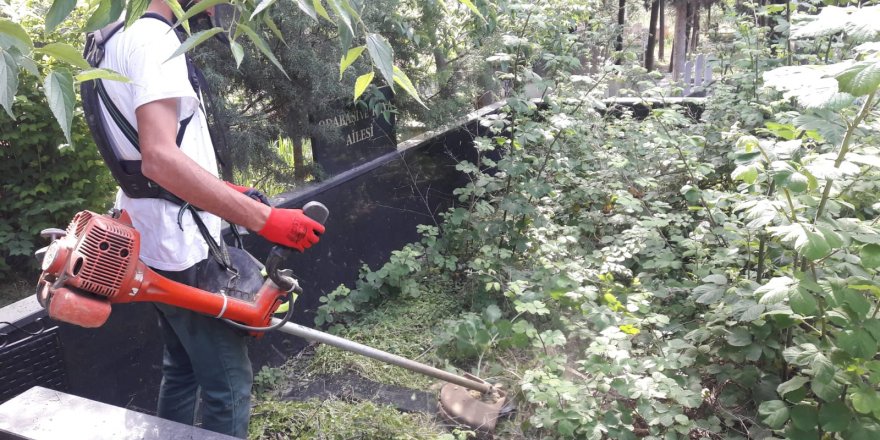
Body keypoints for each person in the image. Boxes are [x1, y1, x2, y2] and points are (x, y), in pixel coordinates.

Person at [94, 0, 325, 437]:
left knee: (180, 367)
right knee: (229, 385)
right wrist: (263, 219)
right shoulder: (153, 39)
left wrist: (234, 195)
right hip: (186, 252)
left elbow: (143, 156)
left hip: (151, 239)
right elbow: (159, 159)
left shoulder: (114, 37)